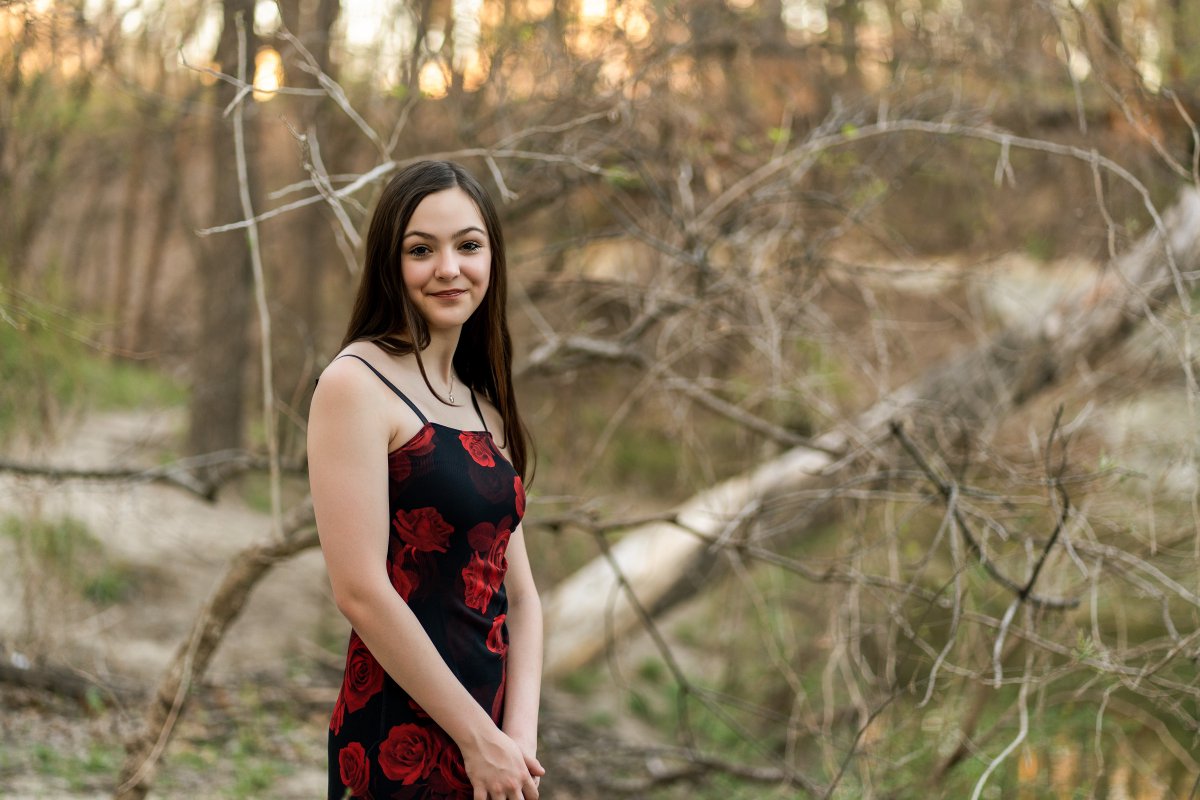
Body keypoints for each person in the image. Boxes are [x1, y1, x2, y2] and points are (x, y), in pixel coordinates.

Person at [308, 160, 544, 800]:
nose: (449, 268)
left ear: (491, 257)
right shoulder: (355, 385)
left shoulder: (483, 406)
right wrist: (476, 738)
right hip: (397, 741)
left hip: (492, 746)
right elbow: (359, 590)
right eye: (421, 250)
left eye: (468, 246)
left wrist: (515, 741)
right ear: (391, 261)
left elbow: (519, 597)